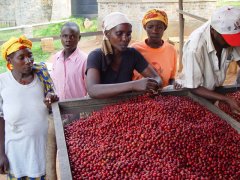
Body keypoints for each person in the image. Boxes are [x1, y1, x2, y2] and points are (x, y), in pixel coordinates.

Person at [0, 35, 59, 179]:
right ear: (9, 61)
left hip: (43, 151)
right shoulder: (2, 82)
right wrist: (1, 154)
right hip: (16, 154)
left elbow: (53, 99)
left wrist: (52, 98)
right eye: (21, 57)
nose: (28, 61)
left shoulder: (42, 77)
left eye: (30, 56)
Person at [176, 6, 240, 113]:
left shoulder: (229, 30)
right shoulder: (195, 47)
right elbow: (193, 86)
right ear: (213, 30)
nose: (230, 43)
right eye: (227, 39)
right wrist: (226, 98)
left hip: (214, 89)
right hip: (195, 94)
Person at [86, 12, 162, 99]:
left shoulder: (132, 54)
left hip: (124, 106)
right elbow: (92, 90)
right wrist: (133, 85)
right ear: (107, 34)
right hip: (99, 107)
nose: (125, 38)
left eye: (128, 34)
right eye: (119, 33)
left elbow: (156, 78)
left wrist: (152, 84)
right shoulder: (96, 56)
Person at [132, 9, 177, 87]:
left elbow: (171, 79)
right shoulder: (135, 49)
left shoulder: (171, 50)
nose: (154, 31)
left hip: (163, 95)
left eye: (159, 27)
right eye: (150, 27)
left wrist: (175, 85)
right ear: (145, 28)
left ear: (164, 28)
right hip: (138, 96)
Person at [51, 22, 87, 101]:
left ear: (79, 38)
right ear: (60, 37)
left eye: (72, 36)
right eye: (65, 36)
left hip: (78, 109)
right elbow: (54, 83)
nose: (68, 40)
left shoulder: (85, 60)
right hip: (59, 107)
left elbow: (89, 90)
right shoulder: (56, 58)